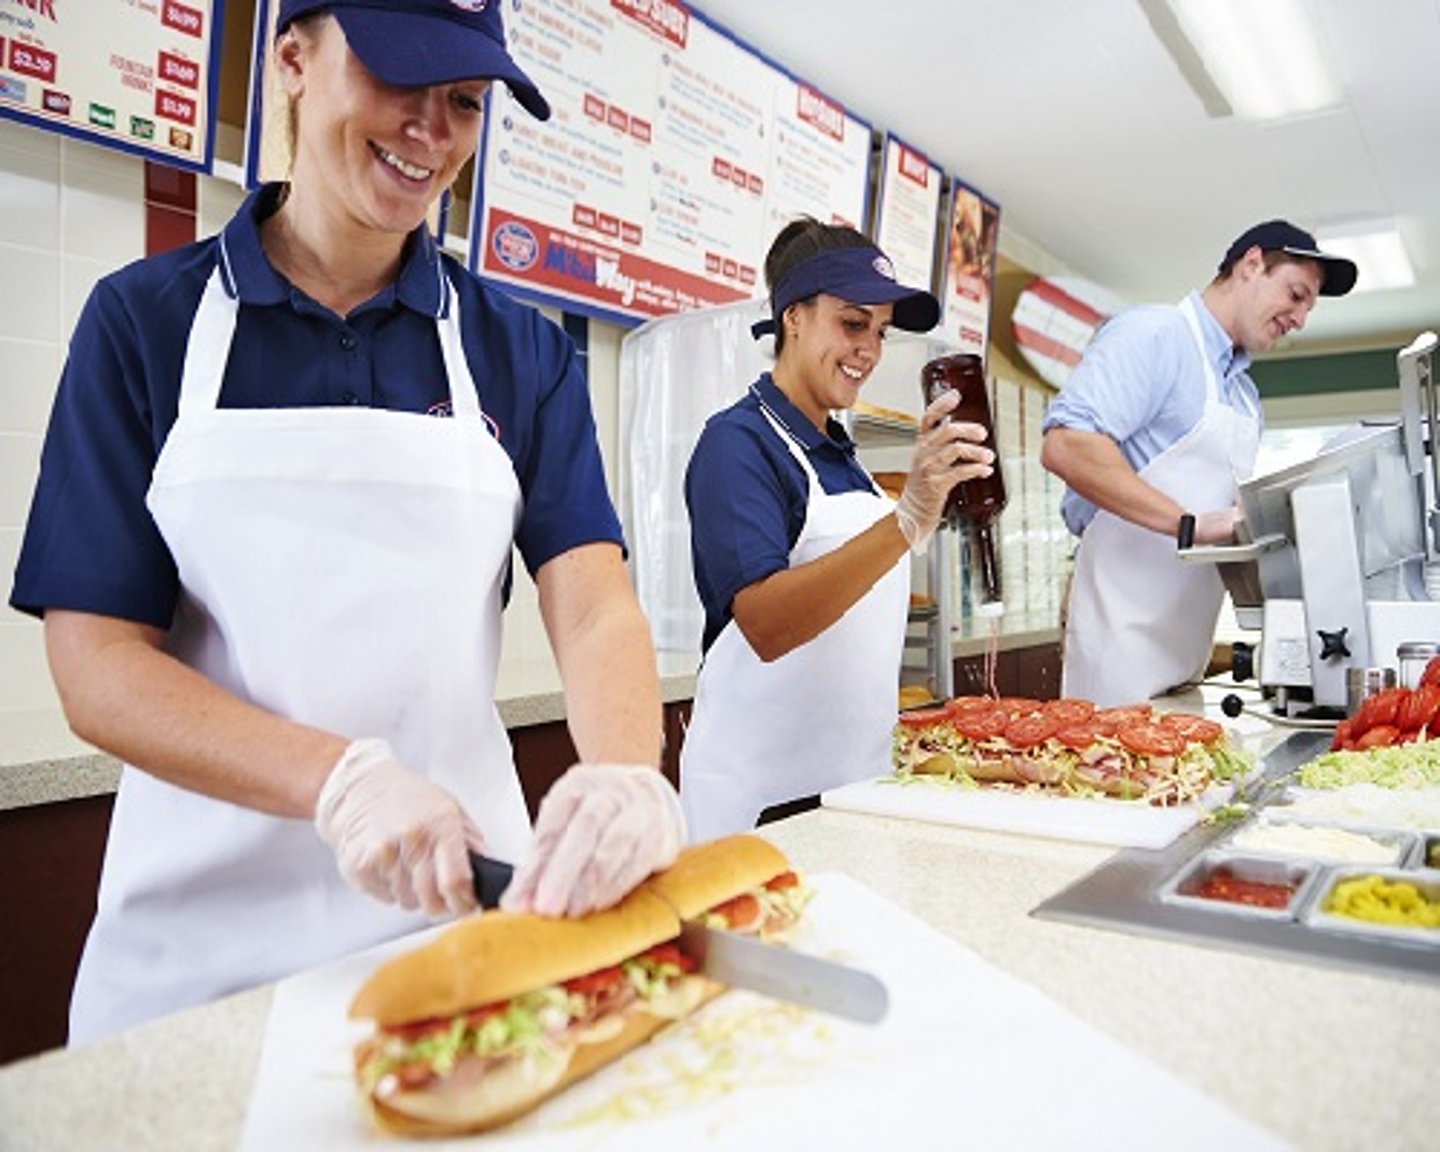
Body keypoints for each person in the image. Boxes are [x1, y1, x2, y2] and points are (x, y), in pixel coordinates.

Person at [8, 0, 683, 1044]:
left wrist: (629, 775)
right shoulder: (144, 323)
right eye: (395, 76)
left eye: (463, 100)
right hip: (196, 967)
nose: (431, 129)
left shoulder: (519, 350)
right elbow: (95, 666)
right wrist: (341, 777)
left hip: (465, 930)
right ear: (291, 58)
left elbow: (593, 605)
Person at [679, 218, 997, 840]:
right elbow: (767, 625)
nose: (870, 351)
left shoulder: (843, 456)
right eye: (853, 324)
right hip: (760, 812)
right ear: (792, 316)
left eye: (879, 332)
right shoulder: (739, 444)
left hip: (855, 794)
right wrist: (906, 523)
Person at [1040, 220, 1357, 707]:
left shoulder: (1245, 397)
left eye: (1308, 307)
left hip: (1187, 655)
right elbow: (1067, 443)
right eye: (1295, 295)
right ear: (1251, 265)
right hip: (1118, 648)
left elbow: (1227, 523)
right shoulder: (1156, 334)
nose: (1299, 319)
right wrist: (1188, 524)